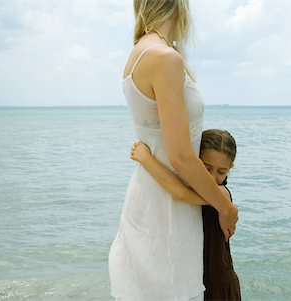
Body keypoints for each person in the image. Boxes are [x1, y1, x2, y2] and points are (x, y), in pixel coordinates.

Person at [108, 0, 238, 300]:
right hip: (167, 212)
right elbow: (181, 157)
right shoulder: (165, 58)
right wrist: (225, 207)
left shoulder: (138, 53)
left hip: (148, 198)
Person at [130, 129, 241, 301]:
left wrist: (145, 158)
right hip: (192, 283)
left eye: (222, 171)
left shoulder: (222, 194)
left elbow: (179, 192)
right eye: (206, 168)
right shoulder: (202, 191)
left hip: (218, 286)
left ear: (230, 169)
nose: (213, 177)